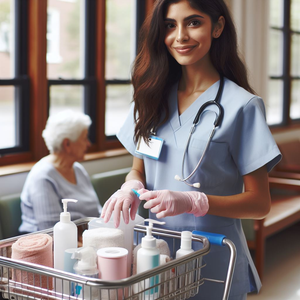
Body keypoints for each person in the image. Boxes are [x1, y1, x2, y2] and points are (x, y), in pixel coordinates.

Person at [101, 0, 281, 299]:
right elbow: (139, 167)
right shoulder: (150, 97)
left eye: (193, 23)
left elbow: (259, 203)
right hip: (153, 256)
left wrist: (195, 201)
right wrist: (130, 188)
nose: (180, 36)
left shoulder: (242, 106)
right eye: (170, 25)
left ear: (218, 27)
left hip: (212, 257)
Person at [19, 110, 101, 233]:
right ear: (67, 144)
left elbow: (96, 210)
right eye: (84, 138)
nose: (88, 144)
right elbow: (50, 231)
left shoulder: (78, 169)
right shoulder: (43, 177)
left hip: (86, 236)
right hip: (52, 245)